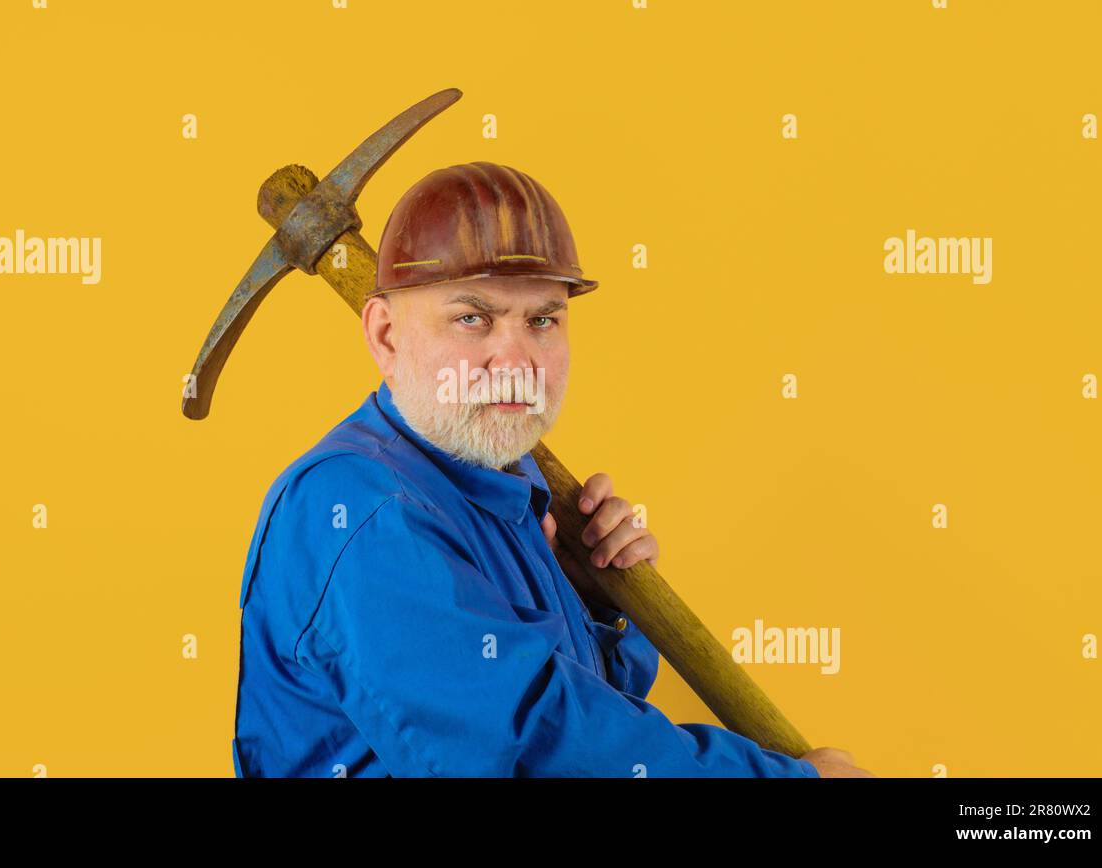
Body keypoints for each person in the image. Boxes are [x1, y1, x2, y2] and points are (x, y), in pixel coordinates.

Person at [232, 162, 871, 778]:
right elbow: (531, 749)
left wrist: (593, 604)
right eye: (472, 318)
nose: (514, 360)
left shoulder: (503, 480)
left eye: (542, 319)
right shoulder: (358, 509)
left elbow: (581, 709)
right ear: (387, 337)